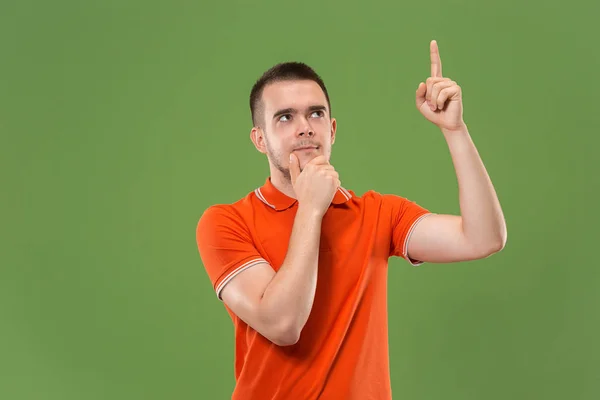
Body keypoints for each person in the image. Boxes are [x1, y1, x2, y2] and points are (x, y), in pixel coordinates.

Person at [196, 40, 507, 400]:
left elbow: (484, 238)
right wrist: (311, 208)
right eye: (285, 117)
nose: (305, 128)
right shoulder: (225, 222)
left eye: (315, 114)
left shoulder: (379, 214)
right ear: (260, 139)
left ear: (332, 130)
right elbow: (282, 324)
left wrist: (455, 130)